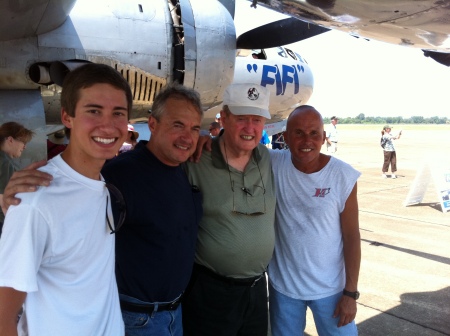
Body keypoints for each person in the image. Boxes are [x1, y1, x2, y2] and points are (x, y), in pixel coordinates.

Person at [1, 82, 204, 336]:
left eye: (194, 128)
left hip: (174, 314)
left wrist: (207, 141)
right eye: (177, 125)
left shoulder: (184, 168)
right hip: (136, 319)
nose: (188, 137)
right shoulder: (117, 174)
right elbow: (72, 193)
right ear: (152, 124)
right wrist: (17, 203)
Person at [0, 63, 131, 335]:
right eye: (94, 111)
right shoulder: (35, 200)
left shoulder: (100, 184)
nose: (107, 125)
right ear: (67, 117)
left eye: (118, 113)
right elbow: (4, 316)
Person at [182, 83, 276, 336]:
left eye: (257, 120)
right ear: (223, 118)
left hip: (256, 290)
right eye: (241, 119)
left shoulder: (266, 158)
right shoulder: (196, 160)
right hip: (211, 292)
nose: (250, 128)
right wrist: (199, 138)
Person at [268, 105, 361, 336]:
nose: (306, 140)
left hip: (332, 291)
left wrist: (350, 293)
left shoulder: (343, 176)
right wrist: (207, 141)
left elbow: (351, 237)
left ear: (323, 137)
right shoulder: (273, 163)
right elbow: (237, 147)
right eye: (298, 133)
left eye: (314, 133)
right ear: (286, 137)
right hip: (284, 290)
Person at [0, 122, 34, 236]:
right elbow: (2, 199)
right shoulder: (5, 163)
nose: (25, 146)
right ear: (10, 140)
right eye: (23, 142)